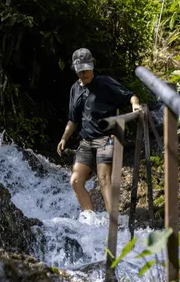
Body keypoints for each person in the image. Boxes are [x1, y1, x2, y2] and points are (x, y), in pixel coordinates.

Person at [55, 48, 143, 218]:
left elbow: (130, 95)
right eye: (80, 70)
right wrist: (64, 138)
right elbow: (73, 119)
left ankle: (114, 221)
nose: (84, 73)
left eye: (86, 69)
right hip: (86, 141)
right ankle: (90, 219)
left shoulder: (105, 83)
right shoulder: (75, 89)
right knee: (75, 181)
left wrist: (135, 105)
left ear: (92, 66)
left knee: (103, 178)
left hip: (106, 139)